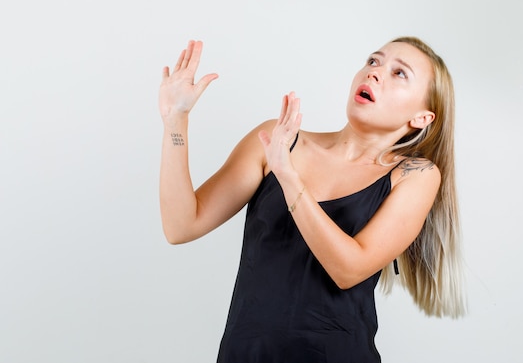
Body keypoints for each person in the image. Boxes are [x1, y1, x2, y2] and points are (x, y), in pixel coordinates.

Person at [158, 37, 466, 362]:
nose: (374, 73)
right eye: (373, 61)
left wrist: (289, 178)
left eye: (399, 73)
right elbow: (181, 226)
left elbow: (348, 269)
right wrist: (175, 122)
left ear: (422, 118)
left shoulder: (416, 175)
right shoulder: (277, 141)